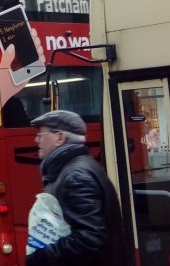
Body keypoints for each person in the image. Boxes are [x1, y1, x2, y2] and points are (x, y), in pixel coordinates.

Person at [26, 110, 124, 266]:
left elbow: (89, 239)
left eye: (41, 134)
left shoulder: (76, 176)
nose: (36, 139)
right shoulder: (77, 168)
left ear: (60, 137)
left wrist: (41, 258)